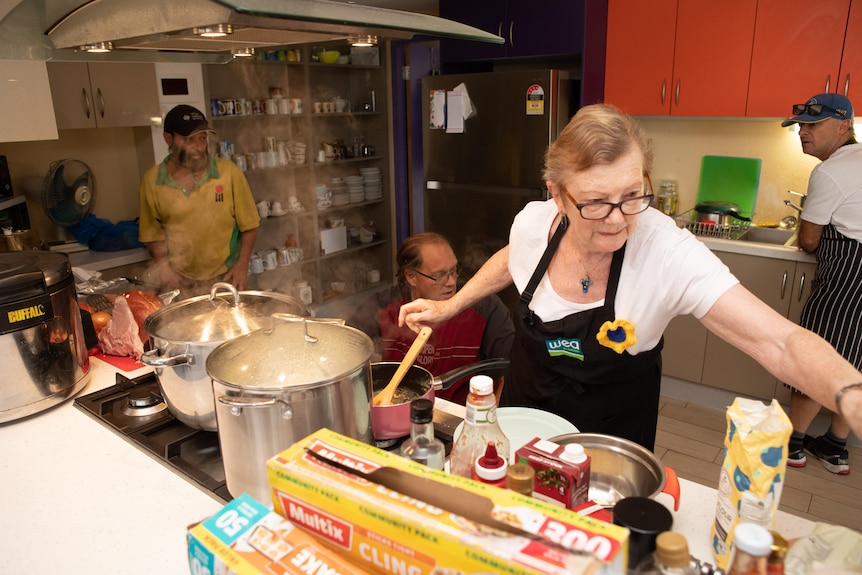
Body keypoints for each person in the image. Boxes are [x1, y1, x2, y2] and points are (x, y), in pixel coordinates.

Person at [399, 103, 862, 450]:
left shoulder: (666, 251)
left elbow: (779, 341)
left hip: (610, 436)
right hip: (527, 413)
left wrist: (852, 395)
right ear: (557, 196)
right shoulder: (534, 222)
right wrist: (449, 305)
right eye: (596, 202)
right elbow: (510, 257)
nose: (618, 220)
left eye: (633, 195)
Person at [779, 93, 861, 475]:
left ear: (843, 125)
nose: (802, 132)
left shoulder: (830, 171)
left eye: (813, 124)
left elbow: (809, 239)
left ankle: (793, 444)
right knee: (855, 358)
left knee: (818, 352)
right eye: (800, 125)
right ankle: (835, 445)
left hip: (849, 270)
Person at [356, 232, 514, 404]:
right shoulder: (385, 305)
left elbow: (510, 364)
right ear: (411, 276)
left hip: (462, 413)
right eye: (439, 275)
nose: (451, 282)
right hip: (400, 406)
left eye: (453, 271)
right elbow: (349, 343)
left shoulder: (483, 306)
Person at [139, 104, 259, 293]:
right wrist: (165, 267)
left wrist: (242, 265)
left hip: (227, 276)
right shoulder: (152, 180)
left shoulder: (228, 172)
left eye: (202, 138)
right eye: (189, 140)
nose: (199, 147)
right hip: (181, 281)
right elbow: (152, 235)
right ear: (168, 138)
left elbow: (250, 225)